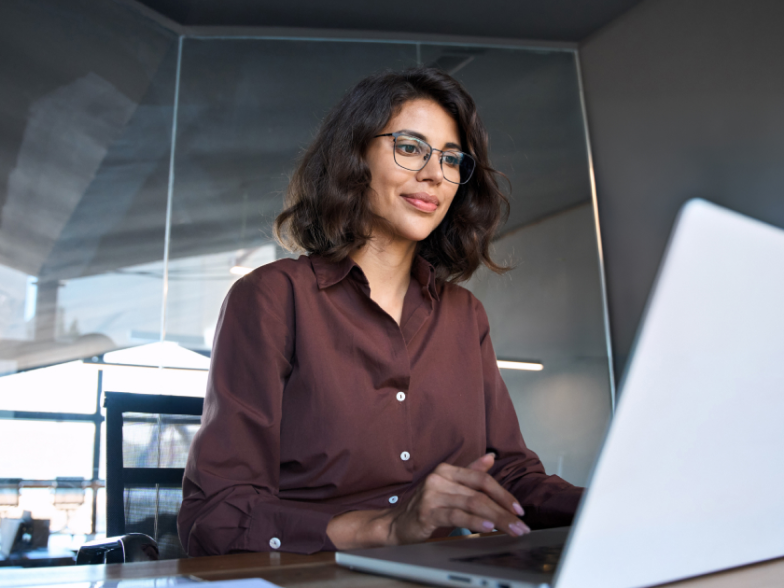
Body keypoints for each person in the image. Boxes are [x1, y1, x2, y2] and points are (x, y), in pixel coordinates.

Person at [178, 67, 582, 557]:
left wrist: (611, 503)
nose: (435, 174)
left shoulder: (465, 315)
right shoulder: (271, 299)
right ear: (354, 157)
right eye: (410, 148)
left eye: (452, 159)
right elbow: (216, 516)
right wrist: (385, 528)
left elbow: (510, 475)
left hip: (449, 570)